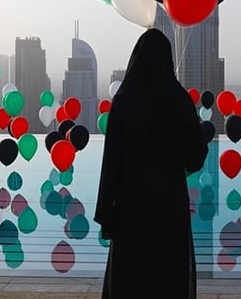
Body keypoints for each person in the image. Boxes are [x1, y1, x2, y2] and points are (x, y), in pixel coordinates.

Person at [94, 28, 208, 298]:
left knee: (131, 280)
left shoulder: (124, 102)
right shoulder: (179, 99)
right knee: (168, 280)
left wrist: (107, 213)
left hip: (131, 210)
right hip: (169, 209)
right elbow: (195, 157)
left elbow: (111, 163)